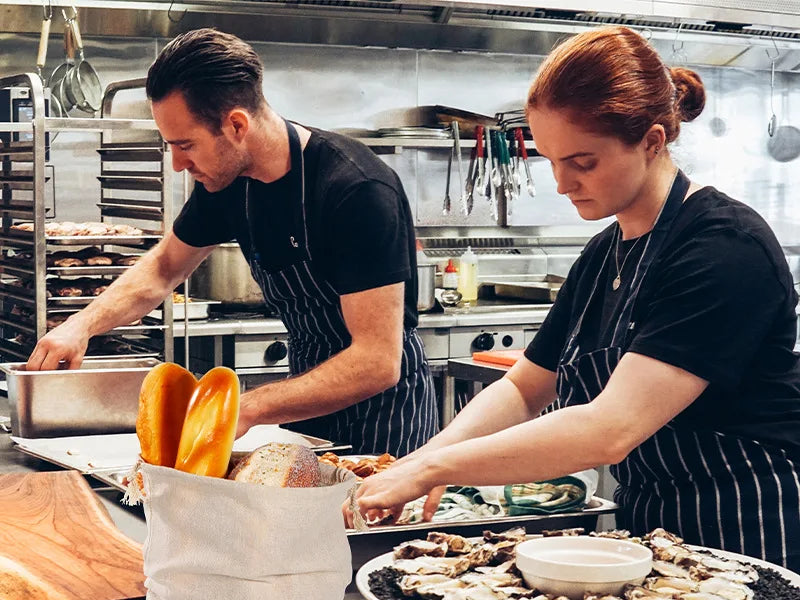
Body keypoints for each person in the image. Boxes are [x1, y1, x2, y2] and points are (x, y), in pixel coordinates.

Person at [353, 25, 800, 572]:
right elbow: (524, 387)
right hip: (657, 532)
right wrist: (421, 460)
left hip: (752, 526)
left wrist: (436, 470)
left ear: (653, 141)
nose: (563, 184)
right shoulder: (602, 253)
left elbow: (609, 430)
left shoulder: (724, 247)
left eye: (582, 162)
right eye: (551, 160)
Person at [26, 29, 438, 457]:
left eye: (186, 145)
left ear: (237, 125)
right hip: (305, 407)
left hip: (385, 423)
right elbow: (165, 267)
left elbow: (376, 362)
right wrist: (80, 326)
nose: (179, 164)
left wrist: (249, 407)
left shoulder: (355, 189)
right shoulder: (227, 184)